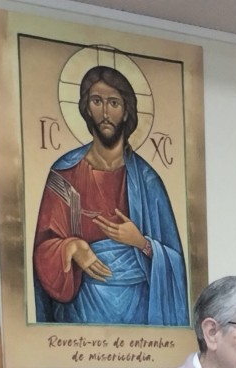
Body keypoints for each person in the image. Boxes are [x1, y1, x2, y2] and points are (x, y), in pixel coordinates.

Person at [32, 65, 189, 326]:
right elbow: (42, 249)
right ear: (86, 108)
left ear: (126, 110)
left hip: (139, 314)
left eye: (114, 103)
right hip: (81, 317)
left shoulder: (148, 181)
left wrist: (141, 243)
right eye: (97, 101)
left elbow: (177, 265)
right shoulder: (65, 174)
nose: (105, 112)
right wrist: (71, 247)